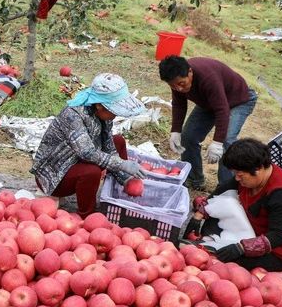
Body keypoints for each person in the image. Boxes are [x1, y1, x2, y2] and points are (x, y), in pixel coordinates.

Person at [30, 73, 147, 217]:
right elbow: (87, 152)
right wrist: (121, 164)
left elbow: (109, 146)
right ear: (99, 105)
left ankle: (119, 188)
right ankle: (86, 215)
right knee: (91, 172)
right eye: (113, 110)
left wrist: (125, 176)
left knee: (118, 141)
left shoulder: (104, 115)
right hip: (55, 175)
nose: (115, 115)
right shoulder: (73, 115)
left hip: (76, 160)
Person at [193, 139, 282, 272]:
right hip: (252, 231)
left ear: (258, 169)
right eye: (235, 174)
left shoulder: (281, 194)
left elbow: (278, 236)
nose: (236, 178)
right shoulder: (249, 176)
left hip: (280, 253)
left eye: (240, 175)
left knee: (221, 261)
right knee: (212, 222)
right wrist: (200, 213)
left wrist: (242, 248)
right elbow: (221, 191)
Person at [159, 55, 258, 189]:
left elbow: (222, 110)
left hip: (238, 100)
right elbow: (179, 104)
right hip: (210, 102)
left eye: (182, 83)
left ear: (190, 72)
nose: (179, 89)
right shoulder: (176, 79)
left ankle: (225, 188)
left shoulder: (208, 77)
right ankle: (194, 179)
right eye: (173, 86)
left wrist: (217, 142)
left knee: (227, 140)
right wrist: (176, 131)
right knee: (189, 137)